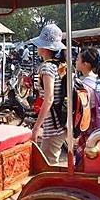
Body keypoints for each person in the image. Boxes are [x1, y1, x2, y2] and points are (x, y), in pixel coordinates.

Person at [29, 24, 66, 165]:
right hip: (62, 122)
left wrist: (37, 126)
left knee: (48, 164)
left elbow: (49, 98)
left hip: (53, 125)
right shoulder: (61, 66)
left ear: (44, 48)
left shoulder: (47, 67)